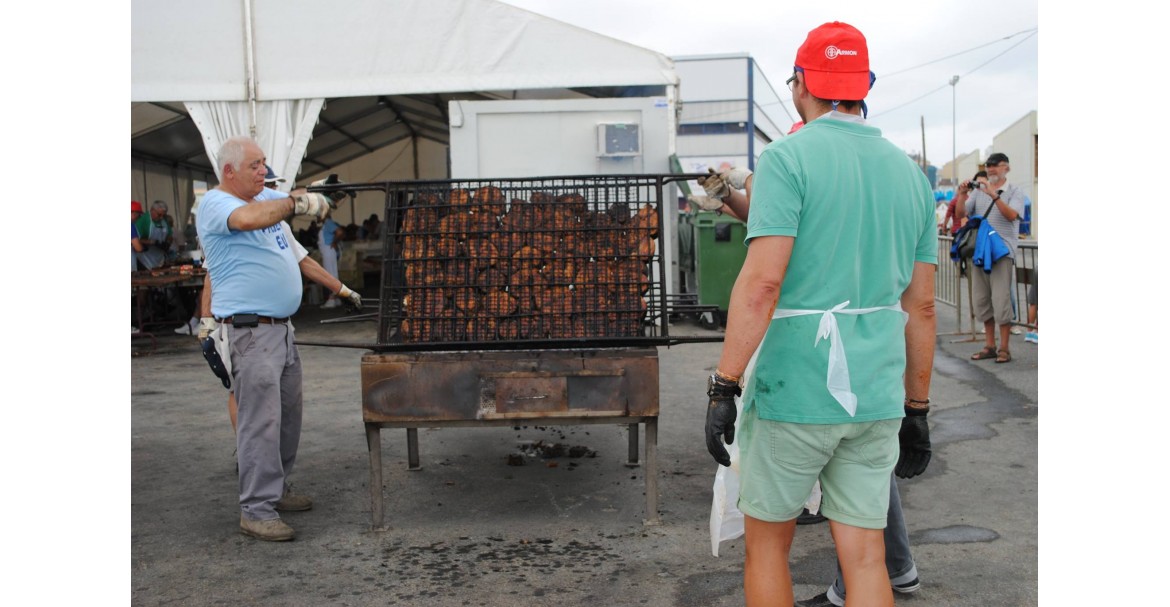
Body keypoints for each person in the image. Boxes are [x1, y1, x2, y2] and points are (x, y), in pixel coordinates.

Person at [701, 22, 937, 607]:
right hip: (877, 390)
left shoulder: (786, 158)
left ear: (802, 83)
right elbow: (923, 304)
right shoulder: (910, 174)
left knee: (767, 547)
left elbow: (762, 284)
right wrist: (918, 409)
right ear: (865, 87)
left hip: (796, 390)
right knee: (865, 556)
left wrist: (723, 383)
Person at [195, 135, 340, 542]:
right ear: (229, 172)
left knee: (287, 418)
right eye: (255, 166)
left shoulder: (264, 202)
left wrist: (306, 197)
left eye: (264, 164)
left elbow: (290, 231)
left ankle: (275, 489)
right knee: (260, 421)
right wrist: (295, 203)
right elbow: (247, 220)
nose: (263, 171)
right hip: (250, 331)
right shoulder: (217, 204)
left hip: (281, 329)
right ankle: (256, 509)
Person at [953, 152, 1026, 364]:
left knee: (1001, 300)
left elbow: (1012, 215)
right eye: (988, 165)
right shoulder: (978, 193)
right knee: (982, 300)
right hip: (979, 252)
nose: (991, 169)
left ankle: (1004, 347)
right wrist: (962, 194)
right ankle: (989, 345)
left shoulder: (1015, 191)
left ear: (1007, 168)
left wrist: (994, 194)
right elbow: (960, 214)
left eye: (996, 165)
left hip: (1002, 252)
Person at [317, 214, 346, 309]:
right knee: (332, 274)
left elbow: (340, 232)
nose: (317, 217)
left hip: (328, 250)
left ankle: (332, 299)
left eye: (318, 215)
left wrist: (334, 242)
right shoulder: (326, 224)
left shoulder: (328, 223)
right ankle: (337, 298)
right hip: (328, 251)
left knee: (330, 275)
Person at [136, 200, 174, 270]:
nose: (162, 217)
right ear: (152, 210)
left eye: (164, 215)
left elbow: (170, 235)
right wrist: (153, 242)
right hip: (144, 260)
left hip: (160, 258)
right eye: (159, 215)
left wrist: (167, 243)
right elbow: (135, 240)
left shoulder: (164, 220)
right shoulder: (143, 221)